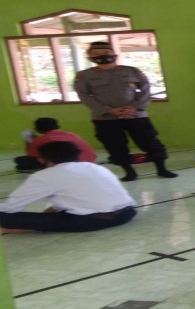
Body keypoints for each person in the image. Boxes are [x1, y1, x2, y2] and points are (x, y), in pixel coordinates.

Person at [73, 41, 177, 181]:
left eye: (106, 53)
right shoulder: (84, 75)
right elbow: (84, 96)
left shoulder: (132, 71)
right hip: (106, 118)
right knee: (115, 146)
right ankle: (129, 173)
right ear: (90, 57)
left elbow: (145, 89)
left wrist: (135, 106)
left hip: (136, 115)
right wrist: (109, 110)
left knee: (150, 142)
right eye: (96, 54)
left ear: (114, 54)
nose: (102, 56)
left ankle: (162, 169)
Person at [0, 141, 136, 234]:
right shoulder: (94, 167)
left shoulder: (45, 175)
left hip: (92, 221)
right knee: (51, 215)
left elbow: (10, 207)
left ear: (42, 159)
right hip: (127, 214)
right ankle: (35, 226)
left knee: (5, 217)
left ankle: (18, 228)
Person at [14, 118, 97, 172]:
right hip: (88, 161)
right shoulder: (72, 135)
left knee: (20, 160)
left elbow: (32, 155)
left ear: (38, 129)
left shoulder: (41, 139)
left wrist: (30, 141)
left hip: (64, 165)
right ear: (58, 126)